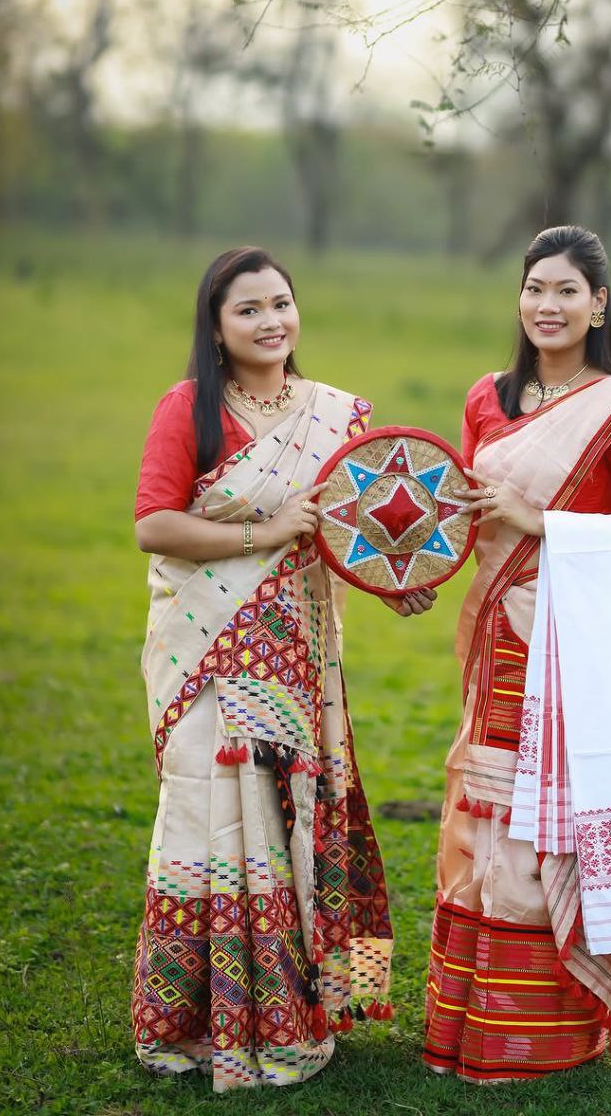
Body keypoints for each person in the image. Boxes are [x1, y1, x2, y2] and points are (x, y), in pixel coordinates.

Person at [130, 246, 434, 1093]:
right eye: (248, 310)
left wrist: (394, 585)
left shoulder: (333, 417)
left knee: (287, 821)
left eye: (281, 304)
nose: (271, 322)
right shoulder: (188, 408)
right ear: (217, 328)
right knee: (213, 825)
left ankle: (290, 1014)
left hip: (298, 656)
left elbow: (354, 531)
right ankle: (195, 1021)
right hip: (208, 656)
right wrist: (260, 536)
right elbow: (155, 525)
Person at [422, 225, 611, 1083]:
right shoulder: (487, 397)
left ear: (598, 304)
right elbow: (468, 510)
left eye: (566, 291)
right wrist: (410, 568)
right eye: (535, 288)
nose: (547, 305)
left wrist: (541, 521)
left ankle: (544, 1029)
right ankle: (469, 1025)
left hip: (575, 644)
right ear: (519, 298)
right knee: (488, 821)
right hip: (498, 635)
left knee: (555, 827)